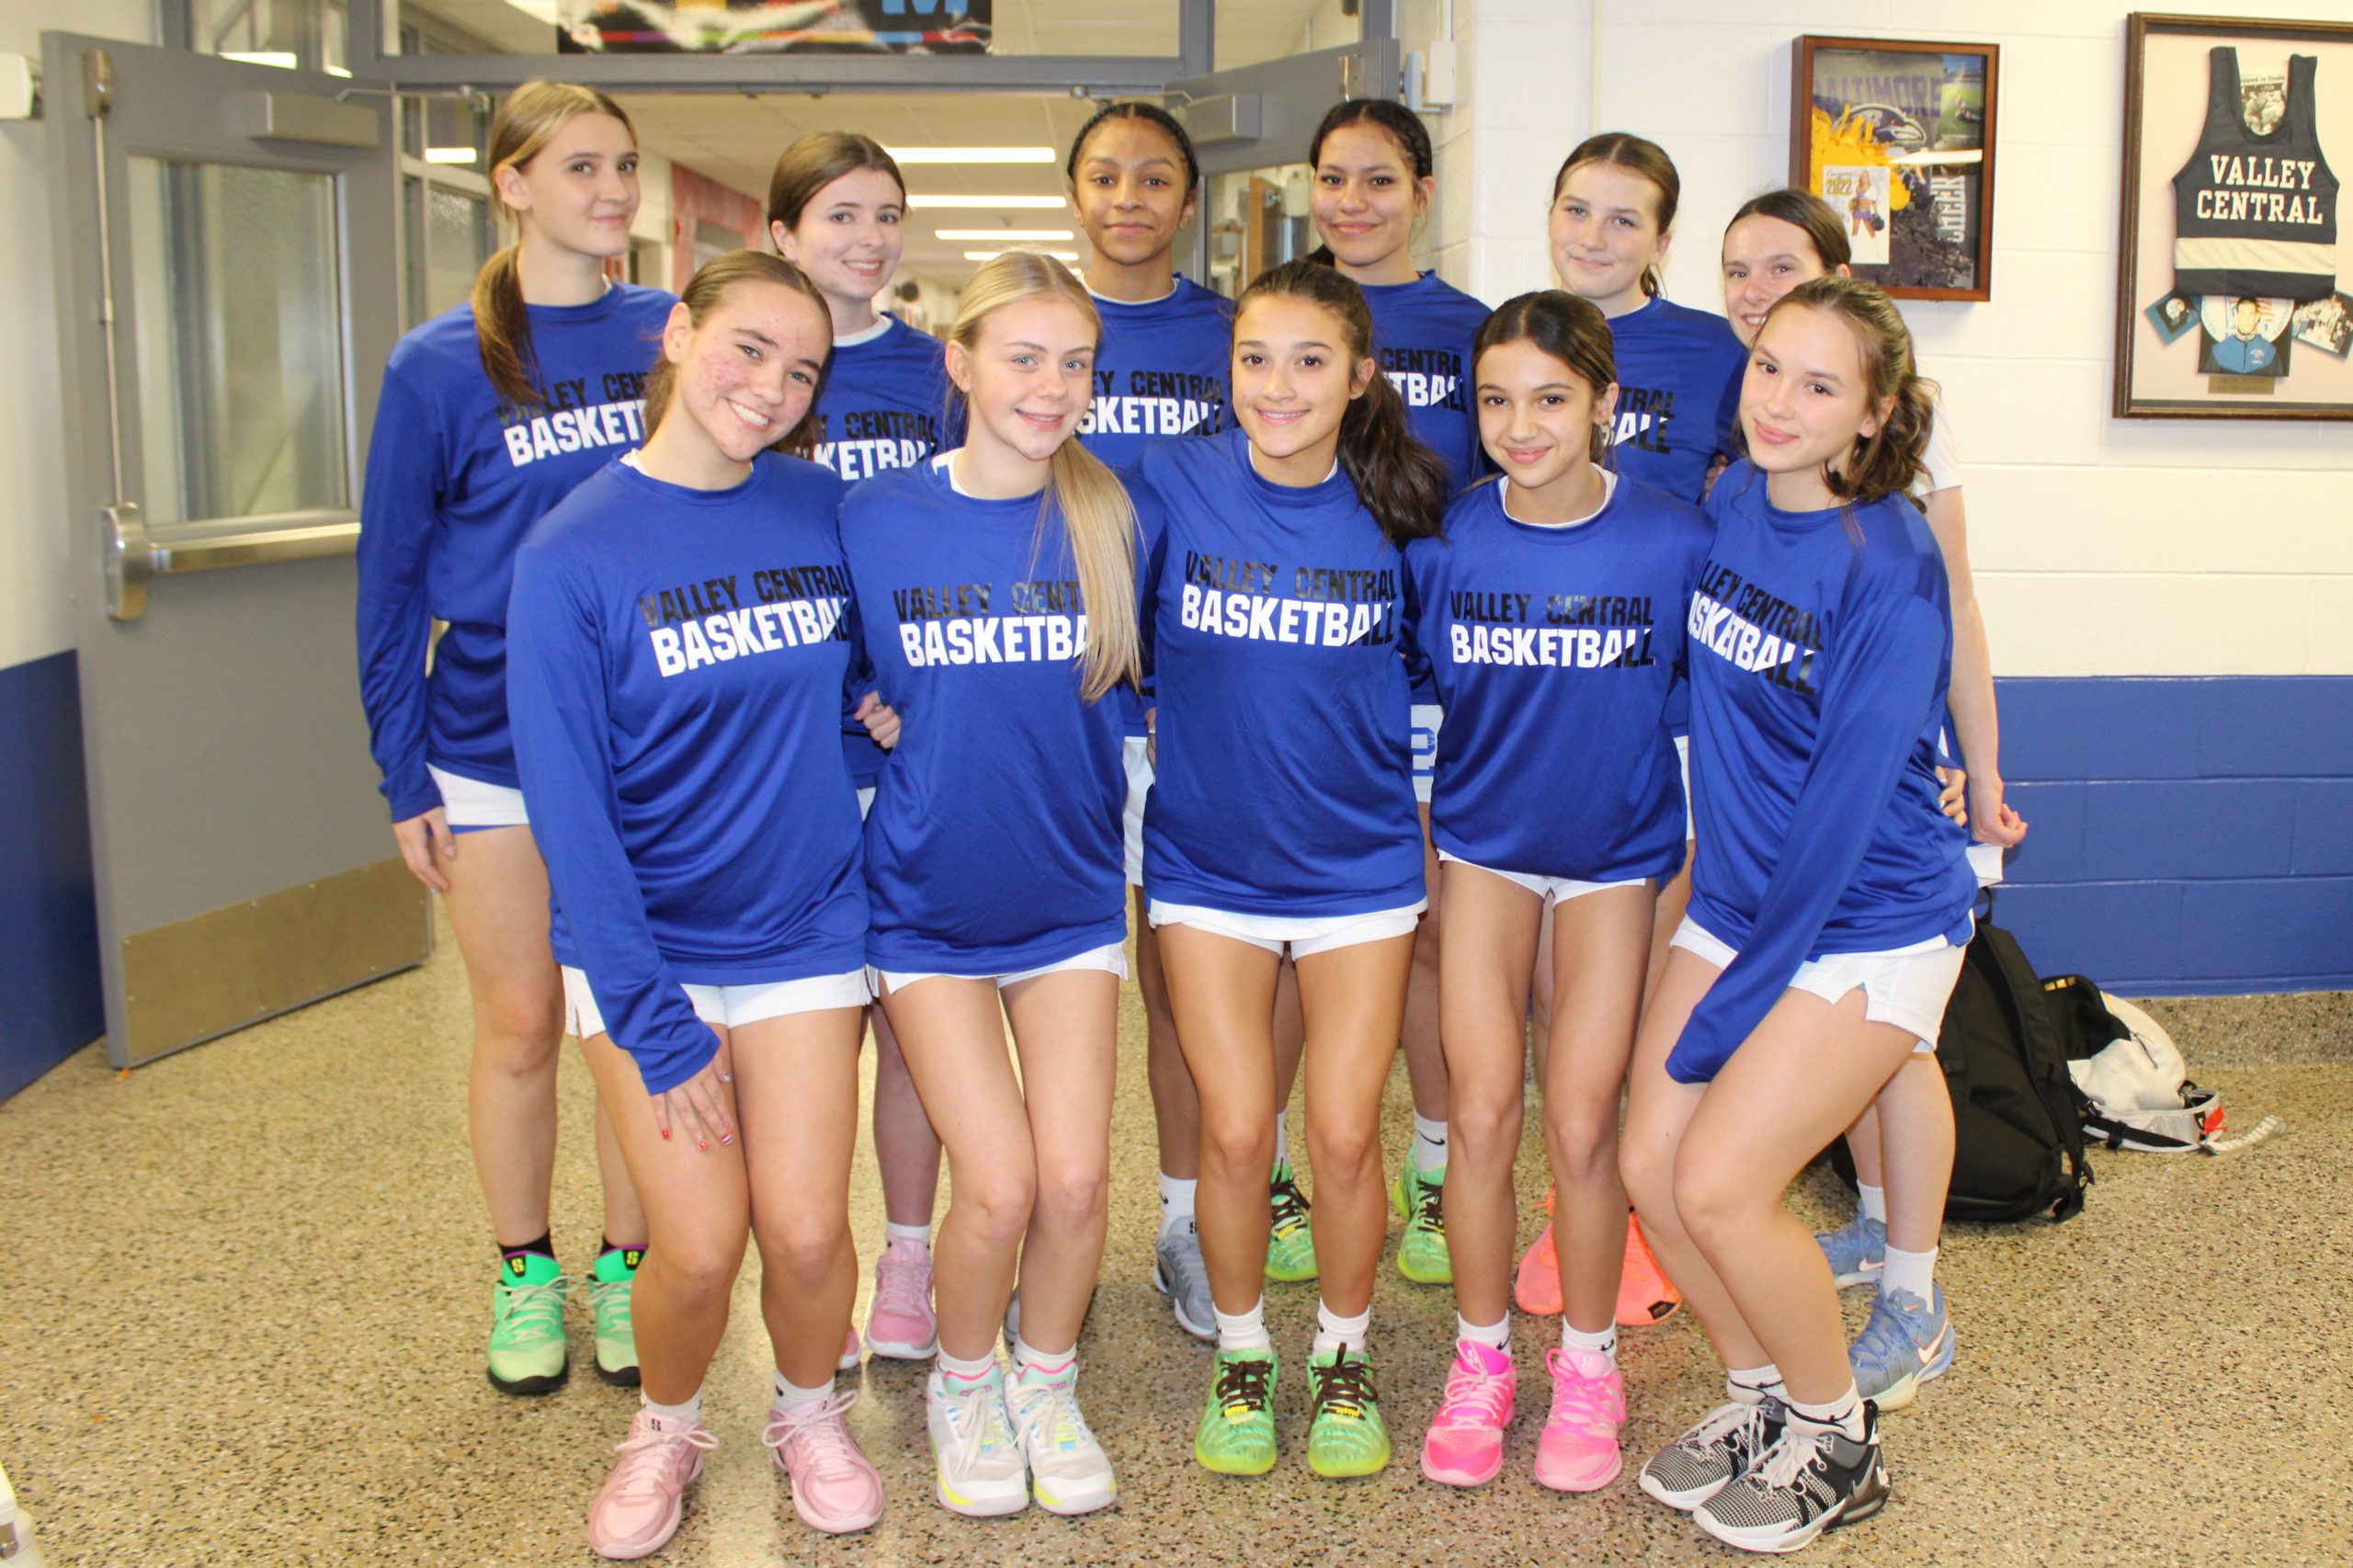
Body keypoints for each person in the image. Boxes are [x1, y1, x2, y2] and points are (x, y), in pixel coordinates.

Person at [506, 251, 883, 1555]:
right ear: (678, 332)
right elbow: (568, 812)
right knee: (703, 1246)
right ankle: (666, 1422)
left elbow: (859, 684)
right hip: (644, 948)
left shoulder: (820, 510)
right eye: (746, 349)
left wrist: (872, 715)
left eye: (801, 368)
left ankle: (806, 1405)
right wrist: (656, 1021)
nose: (770, 387)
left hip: (806, 928)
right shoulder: (570, 552)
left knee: (809, 1229)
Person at [1620, 276, 1977, 1554]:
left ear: (1873, 415)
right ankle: (1758, 1395)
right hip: (1742, 899)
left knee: (1719, 1180)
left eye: (1819, 385)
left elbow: (1836, 818)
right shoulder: (1728, 501)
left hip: (1869, 919)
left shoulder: (1893, 560)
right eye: (1770, 366)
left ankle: (1839, 1433)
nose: (1779, 401)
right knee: (1643, 1167)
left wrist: (1732, 1003)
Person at [355, 80, 661, 1398]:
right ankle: (526, 1270)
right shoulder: (439, 364)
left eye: (623, 167)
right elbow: (389, 578)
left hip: (644, 741)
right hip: (484, 743)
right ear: (513, 185)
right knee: (526, 1017)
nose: (608, 190)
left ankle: (629, 1268)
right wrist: (398, 766)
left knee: (632, 1016)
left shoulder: (670, 333)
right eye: (579, 167)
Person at [841, 253, 1143, 1519]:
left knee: (1077, 1182)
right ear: (957, 364)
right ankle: (965, 1378)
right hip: (926, 904)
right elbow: (822, 675)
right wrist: (867, 720)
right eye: (1024, 357)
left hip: (1070, 898)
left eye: (1075, 361)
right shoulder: (870, 515)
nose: (1053, 385)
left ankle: (1044, 1376)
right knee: (1003, 1182)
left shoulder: (1115, 513)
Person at [1138, 258, 1449, 1480]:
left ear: (1360, 374)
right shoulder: (1173, 481)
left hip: (1360, 867)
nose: (1280, 386)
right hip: (1208, 862)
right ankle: (1242, 1351)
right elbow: (1072, 590)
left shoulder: (1405, 503)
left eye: (1311, 360)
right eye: (1256, 358)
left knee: (1343, 1132)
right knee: (1232, 1127)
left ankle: (1343, 1352)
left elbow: (1453, 667)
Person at [1720, 187, 2026, 1413]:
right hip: (1787, 812)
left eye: (1778, 265)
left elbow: (1949, 614)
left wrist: (1975, 763)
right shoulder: (1753, 414)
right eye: (1737, 271)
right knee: (1866, 1062)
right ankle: (1878, 1239)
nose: (1750, 287)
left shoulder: (1894, 463)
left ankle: (1915, 1286)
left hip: (1889, 820)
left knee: (1899, 1051)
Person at [1405, 292, 1711, 1494]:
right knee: (1481, 1115)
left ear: (1605, 405)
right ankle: (1482, 1359)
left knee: (1583, 1122)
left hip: (1616, 861)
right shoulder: (1445, 543)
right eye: (1495, 400)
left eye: (1549, 399)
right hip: (1482, 850)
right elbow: (1399, 695)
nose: (1520, 425)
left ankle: (1589, 1364)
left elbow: (1726, 707)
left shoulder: (1674, 541)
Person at [1518, 131, 1745, 1329]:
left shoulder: (1714, 354)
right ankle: (1582, 1203)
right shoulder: (1517, 337)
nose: (1594, 237)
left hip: (1678, 725)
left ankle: (1625, 1221)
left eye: (1623, 219)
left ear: (1662, 240)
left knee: (1639, 1000)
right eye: (1576, 210)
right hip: (1551, 717)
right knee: (1561, 1000)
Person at [767, 131, 948, 1365]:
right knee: (809, 1027)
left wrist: (905, 688)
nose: (867, 237)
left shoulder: (941, 372)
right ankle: (806, 1263)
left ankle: (907, 1257)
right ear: (783, 234)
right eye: (839, 214)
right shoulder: (757, 372)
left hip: (907, 740)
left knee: (910, 1022)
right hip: (786, 754)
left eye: (886, 213)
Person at [1307, 96, 1493, 1289]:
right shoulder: (1280, 309)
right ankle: (1305, 1169)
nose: (1355, 202)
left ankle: (1431, 1169)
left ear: (1423, 193)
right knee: (1296, 949)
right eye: (1336, 178)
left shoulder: (1471, 328)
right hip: (1307, 679)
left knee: (1426, 935)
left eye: (1380, 179)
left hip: (1435, 686)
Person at [1064, 99, 1233, 1342]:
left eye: (1154, 178)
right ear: (1074, 192)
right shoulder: (1037, 328)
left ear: (1188, 203)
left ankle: (1190, 1214)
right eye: (1105, 175)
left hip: (1197, 712)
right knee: (1061, 977)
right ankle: (1025, 1218)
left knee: (1185, 983)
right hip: (1057, 709)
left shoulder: (1235, 336)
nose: (1128, 197)